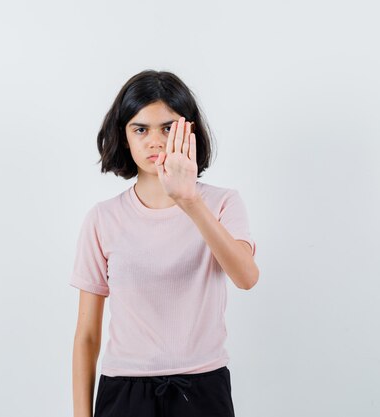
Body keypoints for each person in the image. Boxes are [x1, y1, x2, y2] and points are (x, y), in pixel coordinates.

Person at [69, 69, 259, 417]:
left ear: (190, 131)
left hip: (202, 389)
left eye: (168, 128)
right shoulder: (102, 218)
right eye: (140, 129)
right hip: (124, 392)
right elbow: (87, 336)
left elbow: (246, 277)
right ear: (124, 137)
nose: (154, 140)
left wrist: (190, 202)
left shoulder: (222, 203)